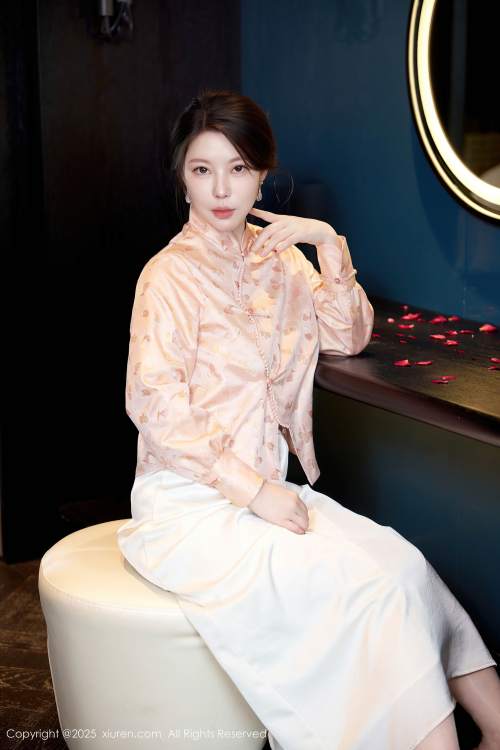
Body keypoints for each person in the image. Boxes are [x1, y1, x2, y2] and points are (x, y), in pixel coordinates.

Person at [116, 90, 500, 750]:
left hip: (268, 496)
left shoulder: (281, 259)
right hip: (190, 507)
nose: (221, 190)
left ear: (263, 173)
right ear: (182, 176)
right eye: (203, 170)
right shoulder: (167, 277)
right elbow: (156, 408)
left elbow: (347, 336)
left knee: (402, 566)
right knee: (368, 593)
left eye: (238, 169)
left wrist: (329, 245)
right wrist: (254, 492)